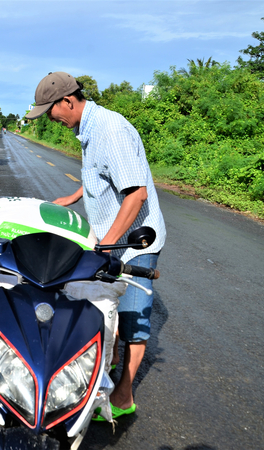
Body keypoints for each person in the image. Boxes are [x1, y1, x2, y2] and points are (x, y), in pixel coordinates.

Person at [25, 72, 166, 419]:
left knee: (134, 320)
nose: (51, 119)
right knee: (105, 301)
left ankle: (123, 394)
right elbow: (101, 176)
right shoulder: (87, 130)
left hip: (134, 243)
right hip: (111, 240)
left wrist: (107, 245)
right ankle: (109, 362)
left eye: (51, 111)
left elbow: (136, 193)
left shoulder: (110, 131)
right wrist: (73, 197)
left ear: (68, 101)